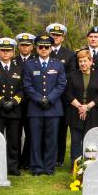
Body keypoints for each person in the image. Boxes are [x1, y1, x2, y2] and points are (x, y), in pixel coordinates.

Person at [23, 34, 66, 175]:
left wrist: (50, 99)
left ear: (51, 48)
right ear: (36, 48)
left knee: (52, 140)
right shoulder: (29, 65)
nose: (43, 49)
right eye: (41, 46)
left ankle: (49, 167)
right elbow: (27, 86)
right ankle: (36, 167)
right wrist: (39, 99)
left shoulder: (58, 64)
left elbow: (61, 84)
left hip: (53, 108)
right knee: (35, 140)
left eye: (46, 46)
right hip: (35, 108)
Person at [0, 37, 25, 176]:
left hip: (14, 110)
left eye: (8, 51)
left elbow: (22, 89)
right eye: (2, 50)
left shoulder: (19, 68)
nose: (5, 53)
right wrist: (1, 101)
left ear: (13, 52)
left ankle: (13, 167)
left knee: (14, 141)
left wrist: (14, 102)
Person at [65, 48, 98, 166]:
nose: (83, 63)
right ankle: (76, 167)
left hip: (93, 113)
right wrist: (80, 107)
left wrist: (87, 107)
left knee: (91, 141)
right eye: (80, 61)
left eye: (85, 61)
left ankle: (90, 165)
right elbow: (67, 93)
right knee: (76, 141)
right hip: (75, 112)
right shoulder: (72, 76)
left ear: (91, 61)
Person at [48, 23, 76, 167]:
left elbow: (71, 74)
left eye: (58, 35)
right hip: (46, 95)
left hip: (63, 97)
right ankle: (47, 156)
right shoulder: (43, 50)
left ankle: (59, 158)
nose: (55, 37)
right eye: (53, 35)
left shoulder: (70, 54)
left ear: (63, 38)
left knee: (62, 129)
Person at [15, 33, 36, 170]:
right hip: (16, 103)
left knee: (30, 133)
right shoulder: (13, 60)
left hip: (31, 102)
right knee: (15, 134)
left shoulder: (36, 60)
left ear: (32, 47)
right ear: (18, 46)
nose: (24, 47)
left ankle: (27, 161)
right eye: (22, 45)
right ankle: (15, 161)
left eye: (27, 45)